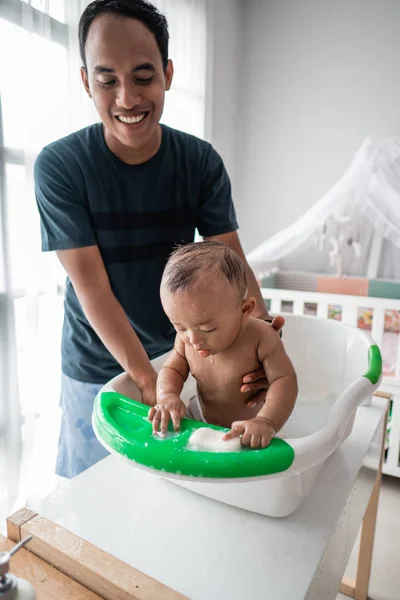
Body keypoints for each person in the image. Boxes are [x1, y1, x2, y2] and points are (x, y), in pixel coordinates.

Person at [34, 0, 282, 478]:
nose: (127, 98)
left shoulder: (199, 162)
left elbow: (231, 262)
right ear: (86, 81)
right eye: (107, 80)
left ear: (167, 74)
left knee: (172, 501)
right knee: (94, 495)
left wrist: (263, 335)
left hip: (185, 355)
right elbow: (92, 287)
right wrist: (150, 381)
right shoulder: (60, 167)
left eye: (143, 76)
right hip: (99, 366)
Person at [149, 241, 297, 448]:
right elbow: (172, 368)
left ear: (245, 310)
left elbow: (285, 380)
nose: (192, 339)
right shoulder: (187, 339)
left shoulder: (261, 337)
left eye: (207, 329)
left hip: (252, 423)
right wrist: (167, 396)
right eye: (180, 327)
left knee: (267, 463)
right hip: (200, 415)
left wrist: (267, 421)